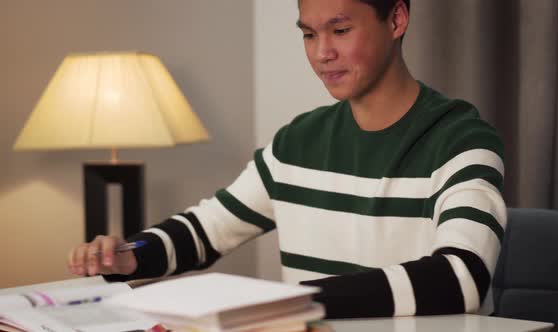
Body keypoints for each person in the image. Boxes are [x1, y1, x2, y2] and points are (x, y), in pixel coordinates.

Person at [68, 0, 506, 318]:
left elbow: (461, 279)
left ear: (396, 18)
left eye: (340, 30)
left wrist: (288, 300)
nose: (321, 53)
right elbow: (204, 232)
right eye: (309, 34)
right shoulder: (297, 142)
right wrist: (131, 254)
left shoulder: (461, 142)